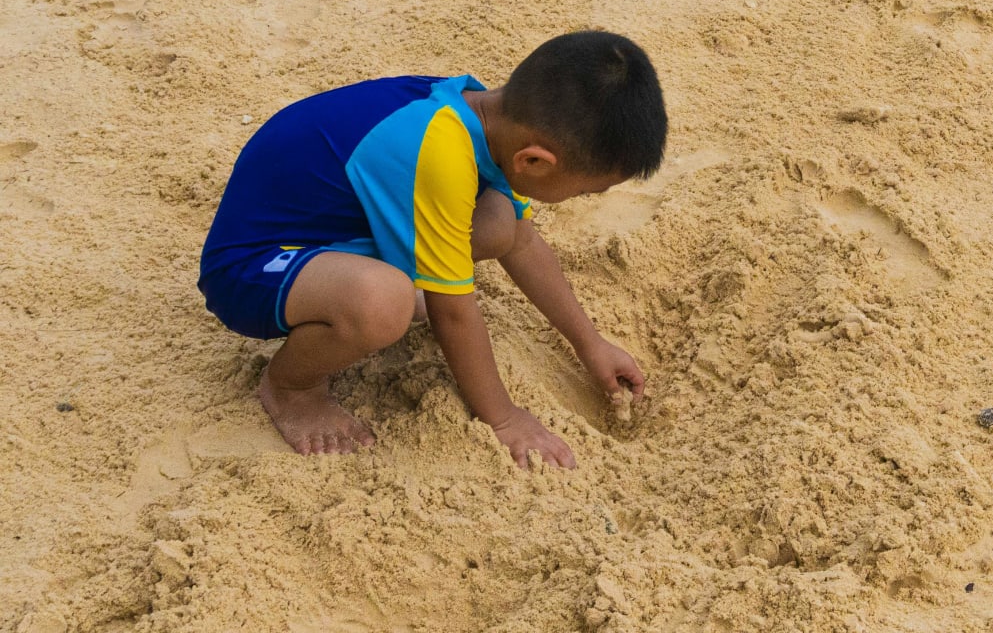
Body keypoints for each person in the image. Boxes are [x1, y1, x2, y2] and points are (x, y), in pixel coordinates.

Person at [198, 30, 668, 466]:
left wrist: (591, 344)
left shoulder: (487, 112)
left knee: (499, 221)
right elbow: (454, 312)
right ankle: (291, 387)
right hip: (252, 265)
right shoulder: (439, 154)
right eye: (587, 191)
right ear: (534, 160)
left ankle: (365, 286)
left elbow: (521, 241)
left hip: (332, 230)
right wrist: (503, 418)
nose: (582, 199)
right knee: (384, 303)